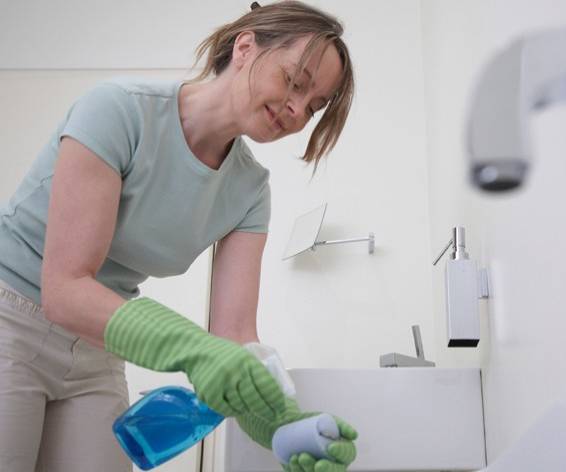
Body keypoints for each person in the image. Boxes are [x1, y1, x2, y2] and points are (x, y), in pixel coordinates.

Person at [0, 1, 357, 471]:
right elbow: (65, 290)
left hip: (98, 351)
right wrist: (195, 351)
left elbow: (234, 335)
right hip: (11, 319)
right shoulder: (119, 110)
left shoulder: (250, 190)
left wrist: (281, 423)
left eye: (313, 107)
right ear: (245, 48)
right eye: (294, 81)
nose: (296, 110)